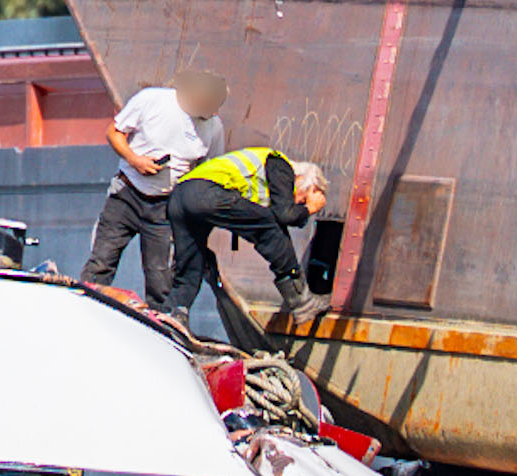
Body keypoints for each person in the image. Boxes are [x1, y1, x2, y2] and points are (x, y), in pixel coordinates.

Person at [79, 70, 228, 308]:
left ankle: (160, 328)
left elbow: (210, 170)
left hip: (165, 208)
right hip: (127, 194)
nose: (212, 114)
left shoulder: (213, 126)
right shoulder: (152, 101)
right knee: (101, 263)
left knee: (160, 281)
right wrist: (135, 159)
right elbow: (114, 132)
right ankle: (85, 310)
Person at [168, 147, 330, 328]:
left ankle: (176, 313)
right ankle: (302, 302)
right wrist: (309, 209)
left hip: (179, 197)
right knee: (270, 226)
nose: (297, 204)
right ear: (303, 182)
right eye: (301, 199)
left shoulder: (266, 177)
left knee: (192, 260)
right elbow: (285, 215)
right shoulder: (280, 165)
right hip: (208, 193)